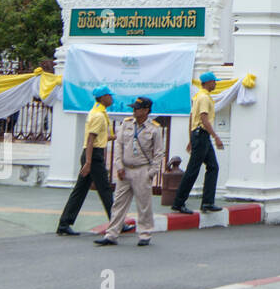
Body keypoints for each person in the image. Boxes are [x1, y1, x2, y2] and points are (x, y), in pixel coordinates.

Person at [96, 97, 165, 247]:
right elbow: (119, 146)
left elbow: (159, 153)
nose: (134, 111)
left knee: (144, 204)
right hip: (125, 169)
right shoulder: (126, 124)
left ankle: (145, 233)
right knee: (119, 203)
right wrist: (119, 166)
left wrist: (151, 172)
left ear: (146, 110)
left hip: (142, 169)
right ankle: (111, 234)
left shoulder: (154, 129)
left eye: (137, 108)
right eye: (134, 108)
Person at [56, 86, 116, 235]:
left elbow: (96, 138)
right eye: (109, 95)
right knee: (105, 190)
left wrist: (111, 137)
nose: (111, 98)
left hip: (92, 154)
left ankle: (64, 223)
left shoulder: (98, 112)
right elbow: (90, 140)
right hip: (93, 156)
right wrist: (88, 163)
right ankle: (117, 222)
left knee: (80, 190)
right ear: (102, 98)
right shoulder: (98, 116)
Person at [171, 71, 224, 215]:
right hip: (202, 135)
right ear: (207, 83)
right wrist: (216, 137)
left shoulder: (198, 97)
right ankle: (179, 202)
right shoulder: (204, 98)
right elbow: (204, 119)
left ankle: (207, 202)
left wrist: (190, 138)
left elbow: (191, 118)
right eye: (214, 82)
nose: (215, 84)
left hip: (199, 135)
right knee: (193, 170)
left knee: (212, 166)